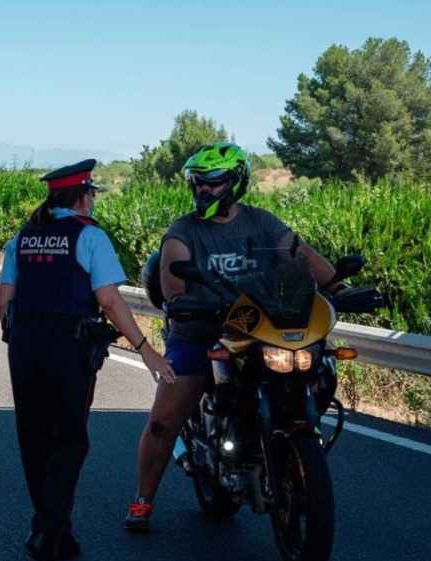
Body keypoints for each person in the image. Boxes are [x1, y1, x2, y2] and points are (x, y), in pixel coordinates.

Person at [124, 142, 344, 532]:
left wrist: (338, 287)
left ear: (236, 181)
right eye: (198, 183)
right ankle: (142, 500)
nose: (204, 190)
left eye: (214, 182)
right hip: (200, 331)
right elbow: (173, 275)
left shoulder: (262, 223)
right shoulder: (184, 231)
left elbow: (301, 254)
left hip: (259, 329)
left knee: (319, 367)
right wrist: (179, 300)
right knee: (163, 420)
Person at [0, 159, 175, 561]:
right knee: (70, 438)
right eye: (92, 193)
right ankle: (47, 531)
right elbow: (110, 300)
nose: (94, 200)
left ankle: (55, 529)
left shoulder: (22, 237)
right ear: (81, 196)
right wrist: (145, 348)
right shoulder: (89, 236)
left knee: (34, 436)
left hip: (24, 347)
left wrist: (22, 340)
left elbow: (3, 302)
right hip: (68, 349)